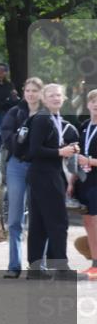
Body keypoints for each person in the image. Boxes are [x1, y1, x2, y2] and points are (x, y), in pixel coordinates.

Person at [26, 84, 80, 279]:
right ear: (43, 98)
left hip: (45, 174)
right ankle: (60, 268)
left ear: (63, 98)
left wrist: (67, 149)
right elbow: (34, 150)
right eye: (51, 95)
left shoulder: (53, 118)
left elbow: (46, 146)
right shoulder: (43, 118)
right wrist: (60, 151)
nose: (56, 98)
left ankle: (35, 269)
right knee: (58, 222)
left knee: (39, 223)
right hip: (45, 175)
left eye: (58, 95)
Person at [0, 77, 44, 278]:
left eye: (35, 90)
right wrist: (20, 140)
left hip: (39, 167)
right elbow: (7, 138)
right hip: (16, 165)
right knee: (15, 218)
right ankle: (13, 265)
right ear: (23, 92)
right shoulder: (15, 112)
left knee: (39, 217)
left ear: (41, 93)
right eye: (28, 90)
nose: (31, 94)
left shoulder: (46, 114)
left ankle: (38, 265)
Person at [75, 89, 97, 279]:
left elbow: (85, 158)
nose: (96, 104)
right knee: (88, 221)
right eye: (93, 101)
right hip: (84, 180)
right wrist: (71, 180)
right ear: (88, 105)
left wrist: (89, 161)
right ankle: (94, 264)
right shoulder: (83, 126)